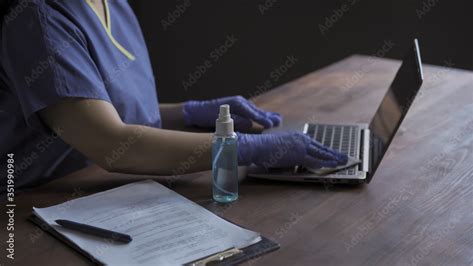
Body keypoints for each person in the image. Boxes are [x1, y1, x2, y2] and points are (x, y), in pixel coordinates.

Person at [0, 0, 347, 190]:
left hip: (105, 189)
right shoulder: (37, 18)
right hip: (30, 207)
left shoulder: (111, 4)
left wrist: (187, 113)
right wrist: (246, 149)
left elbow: (109, 111)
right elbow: (109, 142)